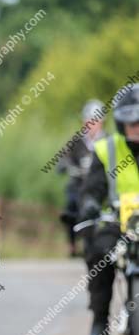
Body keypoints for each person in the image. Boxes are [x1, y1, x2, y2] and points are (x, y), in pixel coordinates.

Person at [79, 84, 139, 335]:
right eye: (131, 121)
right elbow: (91, 189)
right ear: (120, 121)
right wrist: (90, 205)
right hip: (119, 223)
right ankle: (100, 324)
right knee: (99, 252)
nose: (136, 126)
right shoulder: (107, 149)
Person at [57, 99, 106, 256]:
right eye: (89, 120)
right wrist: (65, 166)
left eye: (96, 120)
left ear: (102, 122)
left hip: (100, 184)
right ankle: (71, 244)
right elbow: (64, 158)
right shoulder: (76, 141)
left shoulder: (108, 140)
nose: (92, 124)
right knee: (71, 205)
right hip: (78, 183)